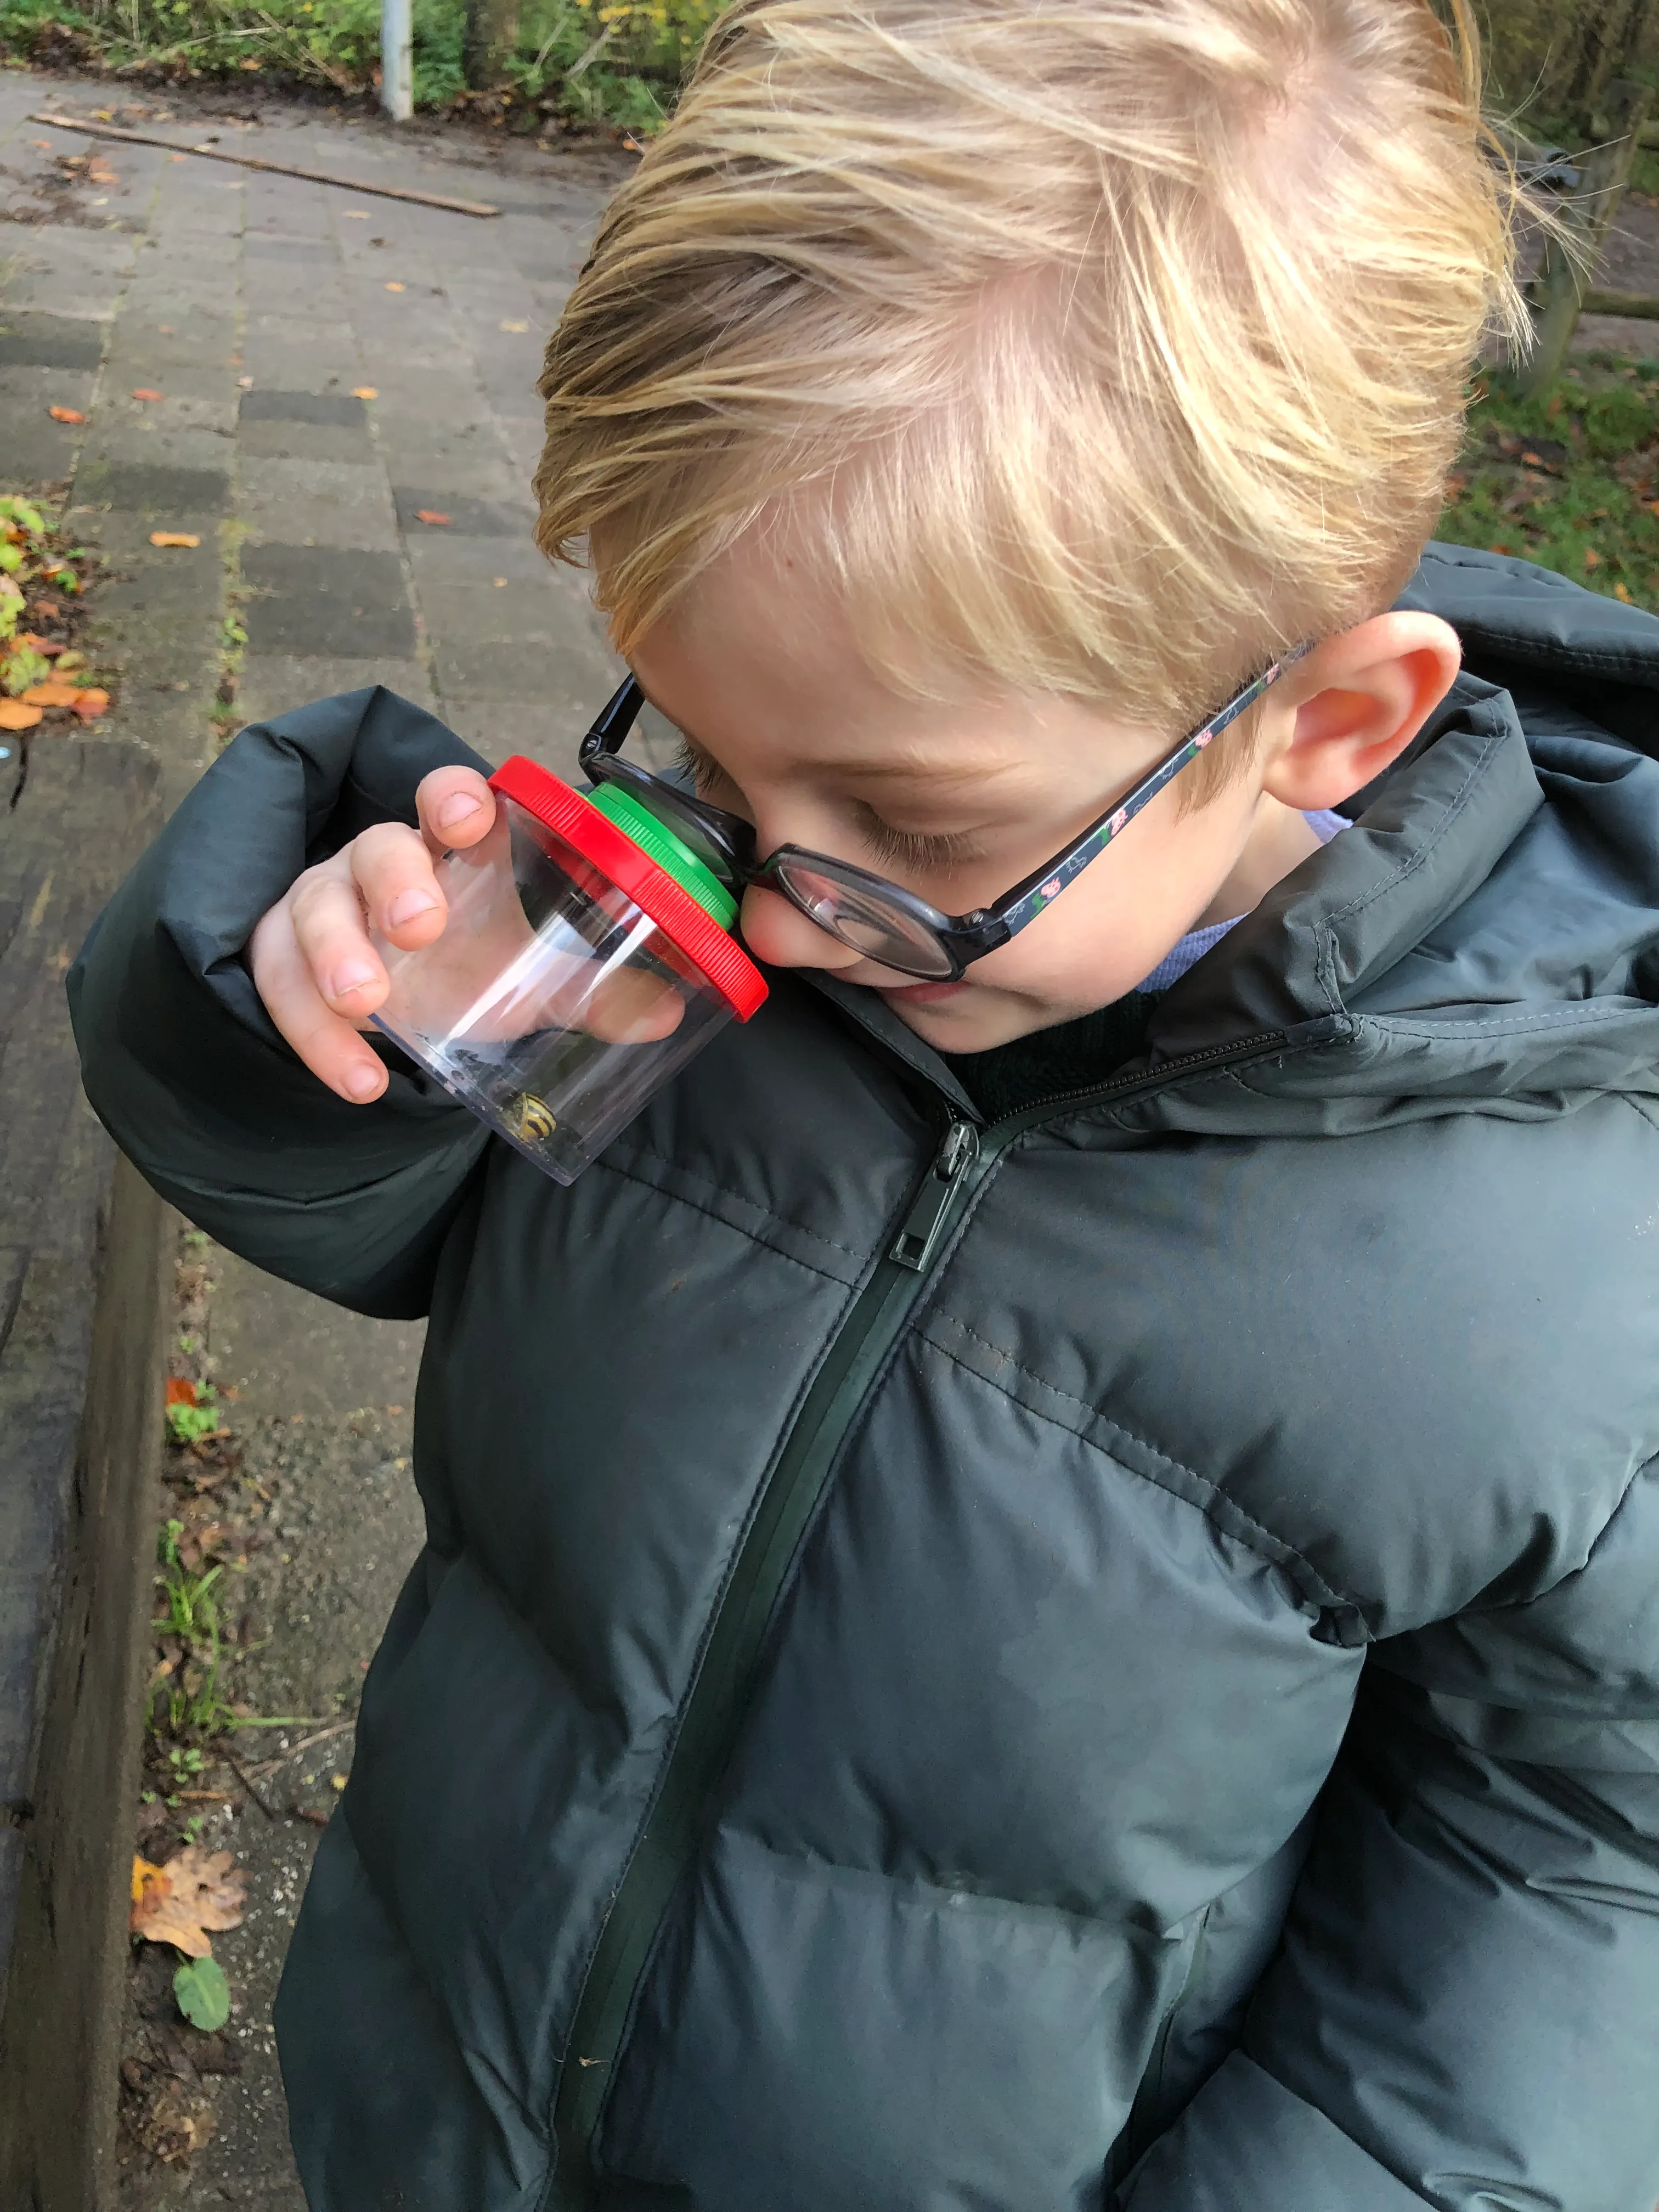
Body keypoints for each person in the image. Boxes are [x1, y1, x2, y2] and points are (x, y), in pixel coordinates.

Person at [69, 2, 1659, 2206]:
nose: (764, 909)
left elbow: (1577, 1871)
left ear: (1325, 729)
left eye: (903, 825)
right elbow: (379, 1219)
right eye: (703, 756)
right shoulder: (759, 912)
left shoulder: (1570, 1252)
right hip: (446, 2085)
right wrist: (320, 1013)